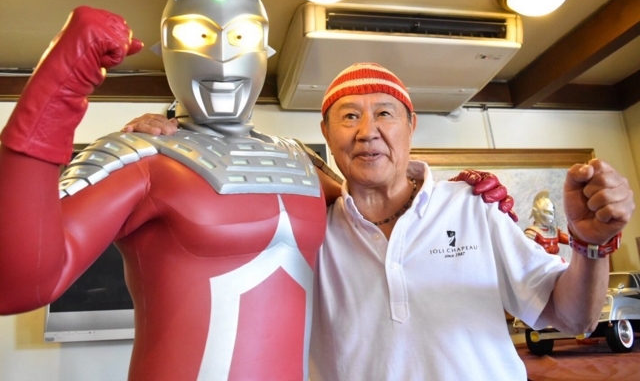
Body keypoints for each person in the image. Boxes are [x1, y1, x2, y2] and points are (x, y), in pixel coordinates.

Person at [0, 0, 513, 381]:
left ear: (263, 47)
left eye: (242, 36)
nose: (223, 54)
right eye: (199, 36)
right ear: (170, 46)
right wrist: (57, 90)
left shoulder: (298, 162)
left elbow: (377, 215)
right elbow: (18, 282)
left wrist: (459, 196)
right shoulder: (145, 156)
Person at [125, 62, 635, 380]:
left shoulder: (472, 206)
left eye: (385, 113)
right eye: (349, 116)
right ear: (327, 133)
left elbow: (574, 319)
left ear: (411, 125)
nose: (367, 131)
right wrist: (165, 145)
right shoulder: (306, 229)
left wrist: (591, 244)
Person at [525, 190, 569, 255]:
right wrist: (546, 251)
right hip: (540, 260)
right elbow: (527, 252)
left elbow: (571, 240)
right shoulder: (531, 233)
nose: (551, 216)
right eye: (547, 212)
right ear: (536, 212)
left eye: (552, 213)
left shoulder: (555, 231)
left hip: (555, 260)